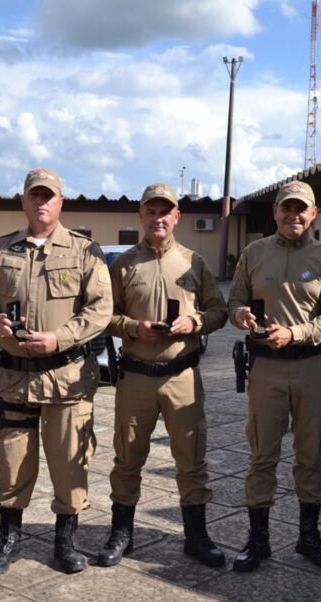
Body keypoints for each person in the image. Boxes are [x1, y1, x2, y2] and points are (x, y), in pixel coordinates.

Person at [0, 167, 111, 574]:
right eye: (35, 195)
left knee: (70, 463)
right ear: (24, 201)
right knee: (12, 462)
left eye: (49, 195)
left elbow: (101, 309)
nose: (42, 202)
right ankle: (8, 540)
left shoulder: (85, 251)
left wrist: (60, 337)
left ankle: (65, 542)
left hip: (66, 377)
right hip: (15, 380)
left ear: (60, 202)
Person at [98, 183, 228, 568]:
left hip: (181, 375)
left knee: (191, 459)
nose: (158, 218)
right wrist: (134, 328)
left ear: (176, 217)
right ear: (141, 216)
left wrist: (195, 322)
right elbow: (104, 316)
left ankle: (197, 536)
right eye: (150, 211)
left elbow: (219, 311)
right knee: (127, 457)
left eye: (164, 211)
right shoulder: (123, 265)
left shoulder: (194, 262)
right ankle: (122, 532)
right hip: (136, 375)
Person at [228, 180, 321, 573]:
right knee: (262, 453)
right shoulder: (254, 253)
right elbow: (235, 300)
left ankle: (308, 537)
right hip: (266, 369)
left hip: (313, 366)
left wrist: (294, 333)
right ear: (276, 212)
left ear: (313, 214)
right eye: (287, 208)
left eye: (302, 209)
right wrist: (240, 315)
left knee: (311, 454)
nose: (294, 215)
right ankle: (258, 540)